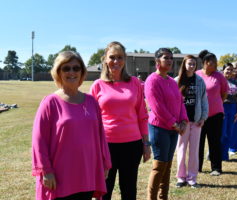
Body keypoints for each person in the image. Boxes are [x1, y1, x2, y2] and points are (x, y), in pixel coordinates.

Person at [32, 51, 111, 200]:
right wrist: (46, 171)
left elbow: (100, 134)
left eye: (76, 68)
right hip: (60, 175)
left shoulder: (91, 101)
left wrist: (105, 161)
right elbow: (39, 141)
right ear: (58, 72)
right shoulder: (50, 103)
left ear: (82, 71)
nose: (71, 72)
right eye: (66, 68)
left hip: (87, 172)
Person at [90, 41, 150, 200]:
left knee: (129, 190)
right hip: (106, 145)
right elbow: (92, 120)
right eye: (112, 57)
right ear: (104, 59)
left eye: (120, 57)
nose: (116, 61)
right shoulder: (97, 85)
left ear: (125, 59)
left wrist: (146, 144)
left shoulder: (135, 83)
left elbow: (142, 115)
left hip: (132, 145)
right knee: (104, 191)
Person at [145, 48, 188, 200]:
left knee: (168, 165)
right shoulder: (152, 80)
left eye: (171, 58)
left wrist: (183, 121)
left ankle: (164, 197)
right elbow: (157, 107)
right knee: (159, 165)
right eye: (166, 58)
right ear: (157, 61)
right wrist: (174, 124)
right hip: (159, 128)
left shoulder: (171, 81)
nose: (169, 60)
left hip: (174, 129)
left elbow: (180, 102)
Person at [174, 55, 208, 188]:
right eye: (189, 64)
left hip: (196, 120)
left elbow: (204, 100)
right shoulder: (177, 80)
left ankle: (192, 178)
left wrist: (203, 117)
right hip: (182, 121)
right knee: (181, 149)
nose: (192, 66)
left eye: (194, 64)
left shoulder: (199, 80)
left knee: (194, 151)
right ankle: (181, 177)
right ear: (184, 64)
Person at [196, 50, 228, 176]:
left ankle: (216, 168)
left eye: (215, 62)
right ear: (204, 63)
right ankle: (196, 167)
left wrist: (215, 103)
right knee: (198, 142)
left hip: (216, 115)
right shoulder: (197, 75)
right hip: (198, 115)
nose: (215, 64)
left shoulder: (219, 76)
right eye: (212, 62)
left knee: (214, 142)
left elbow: (224, 93)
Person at [221, 63, 237, 160]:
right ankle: (216, 153)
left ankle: (225, 155)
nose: (229, 71)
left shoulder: (235, 82)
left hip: (233, 108)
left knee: (229, 133)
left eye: (231, 69)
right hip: (222, 108)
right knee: (221, 133)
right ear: (223, 70)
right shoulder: (219, 81)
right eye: (227, 69)